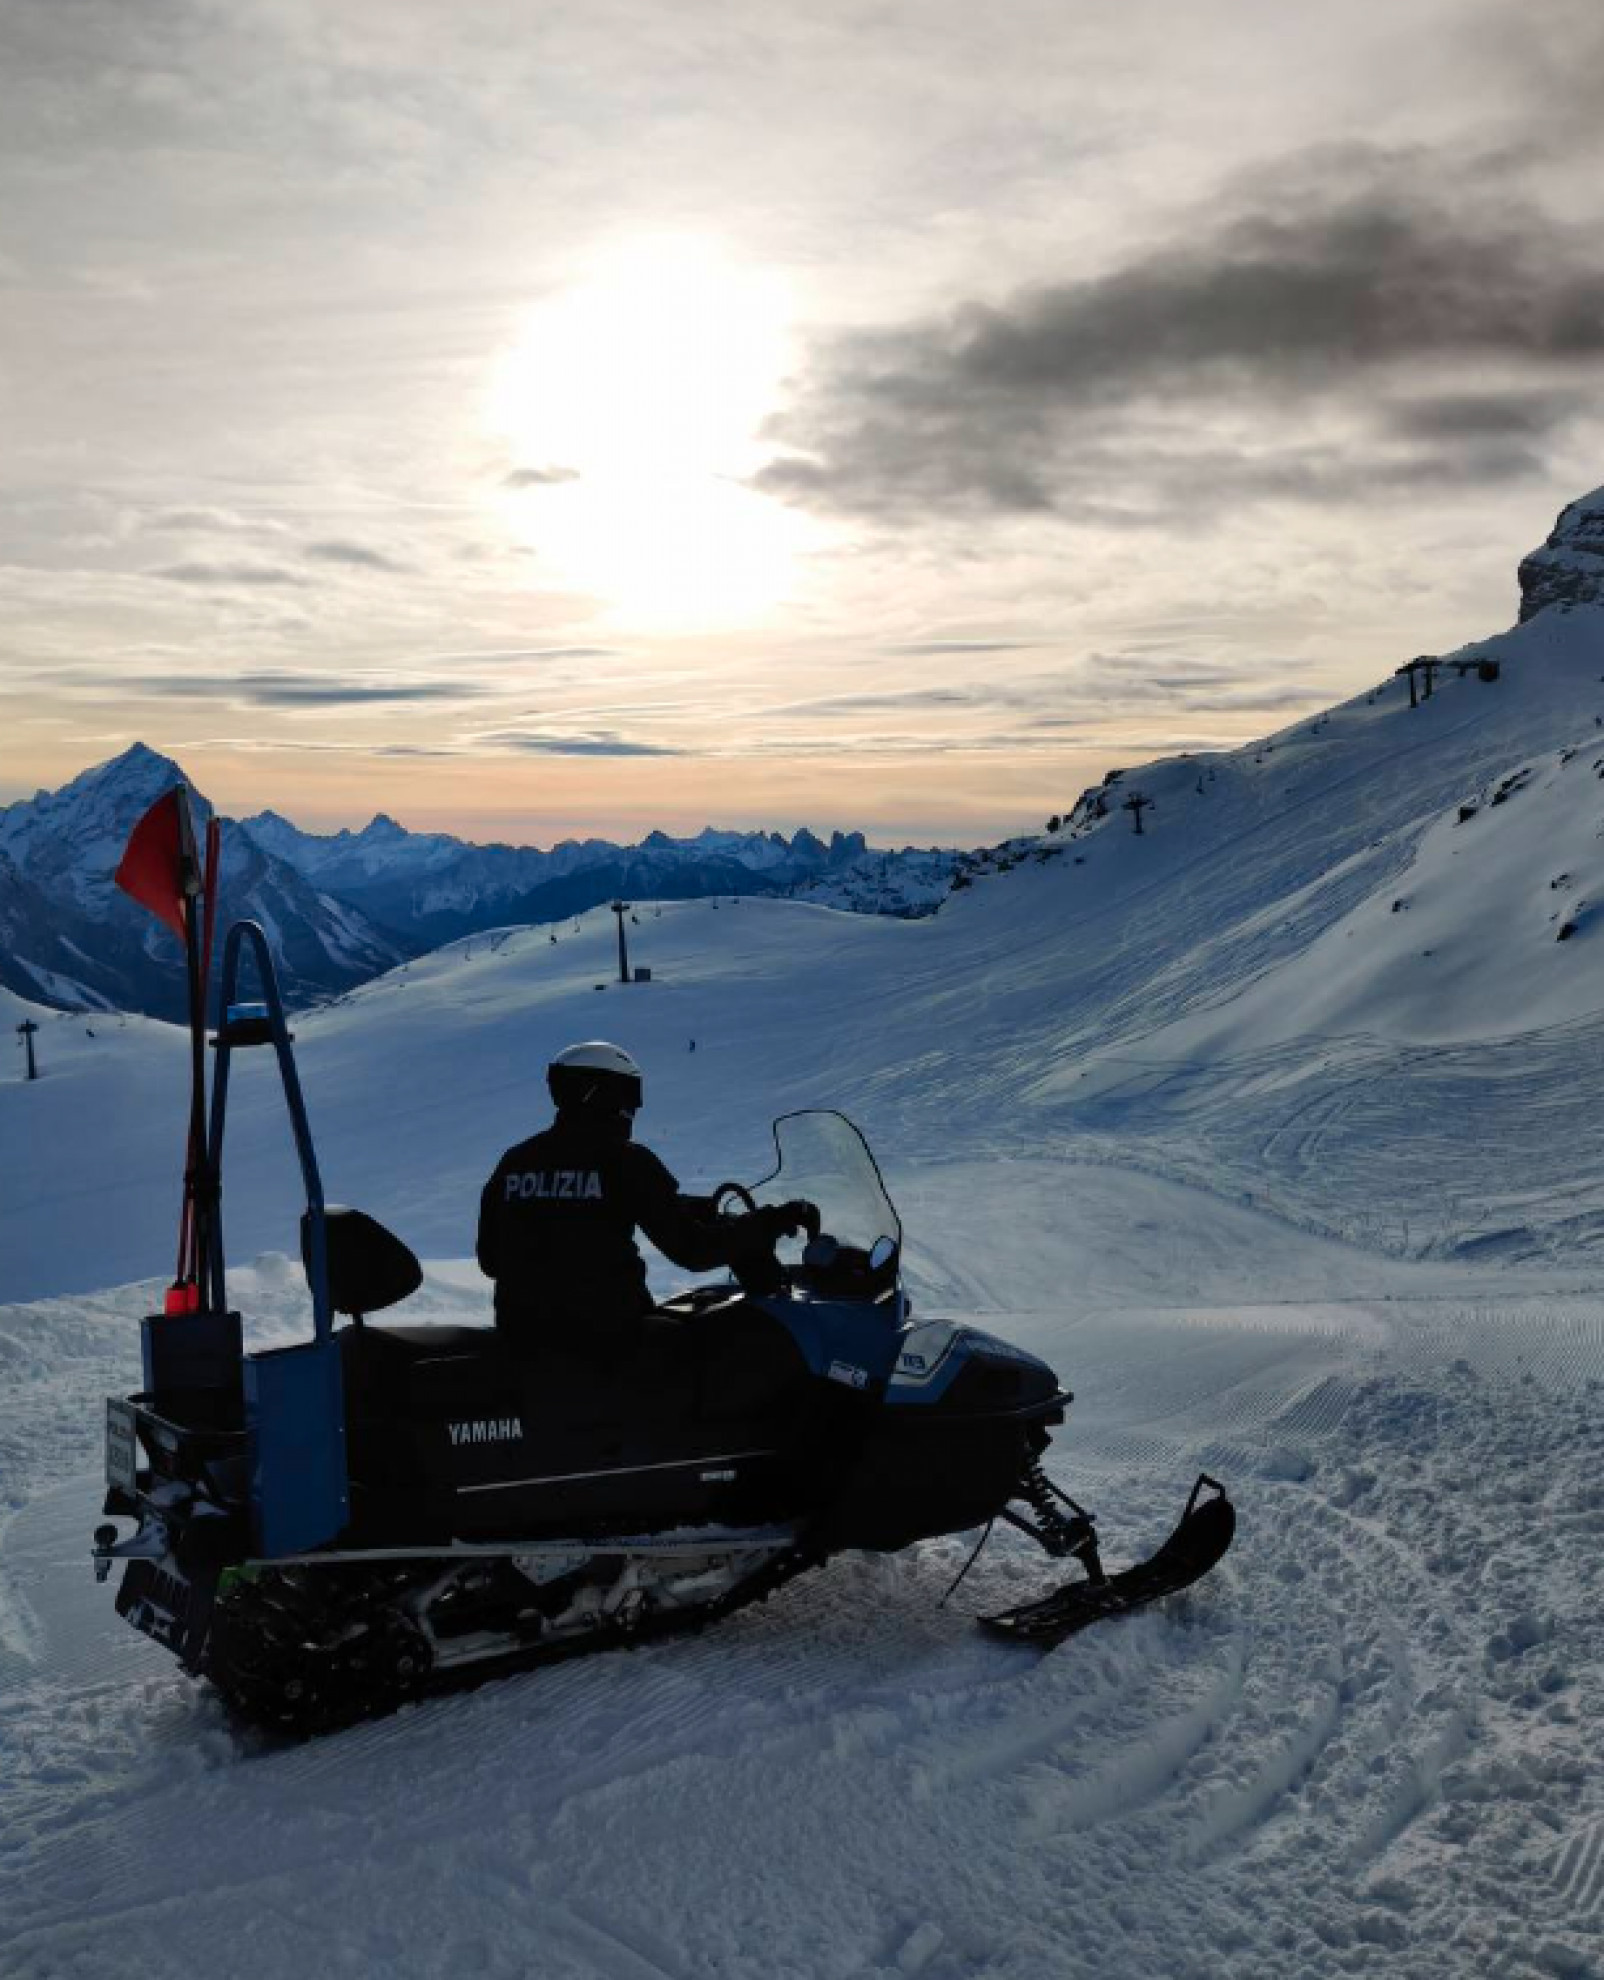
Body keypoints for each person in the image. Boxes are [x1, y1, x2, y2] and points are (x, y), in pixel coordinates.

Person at [476, 1041, 807, 1374]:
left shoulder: (515, 1162)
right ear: (598, 1091)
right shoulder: (625, 1159)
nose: (634, 1106)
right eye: (629, 1091)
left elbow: (491, 1260)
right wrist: (767, 1223)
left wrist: (680, 1207)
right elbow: (694, 1250)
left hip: (525, 1346)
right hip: (611, 1349)